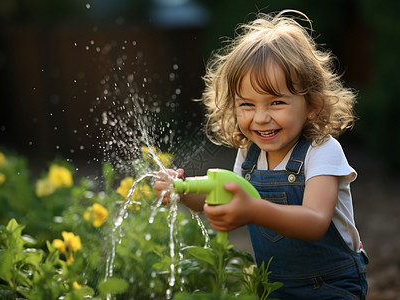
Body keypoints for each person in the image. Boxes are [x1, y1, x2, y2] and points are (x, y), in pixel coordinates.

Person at [155, 9, 368, 299]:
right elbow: (218, 199)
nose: (261, 117)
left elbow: (314, 221)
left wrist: (253, 210)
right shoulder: (249, 154)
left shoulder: (322, 151)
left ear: (312, 106)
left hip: (329, 284)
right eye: (246, 105)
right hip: (274, 285)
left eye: (276, 102)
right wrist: (182, 191)